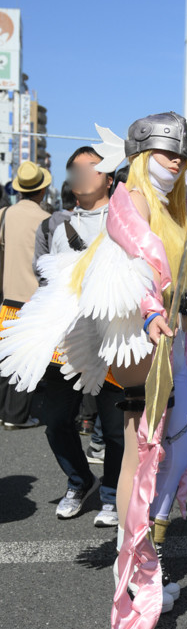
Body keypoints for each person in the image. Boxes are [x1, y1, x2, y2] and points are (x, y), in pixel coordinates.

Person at [0, 111, 187, 629]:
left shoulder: (171, 204)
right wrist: (150, 312)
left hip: (169, 334)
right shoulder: (130, 200)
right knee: (144, 455)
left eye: (181, 156)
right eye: (166, 154)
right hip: (136, 331)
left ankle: (147, 561)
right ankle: (139, 574)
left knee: (175, 454)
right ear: (141, 157)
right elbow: (129, 258)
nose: (175, 164)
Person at [31, 145, 125, 527]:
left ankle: (112, 495)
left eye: (90, 169)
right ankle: (80, 480)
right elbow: (44, 278)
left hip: (114, 339)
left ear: (108, 178)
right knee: (55, 420)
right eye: (75, 171)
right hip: (66, 339)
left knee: (116, 429)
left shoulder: (126, 220)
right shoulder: (55, 227)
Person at [0, 160, 50, 428]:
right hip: (35, 300)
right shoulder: (46, 220)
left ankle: (2, 411)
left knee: (4, 356)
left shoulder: (4, 215)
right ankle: (16, 416)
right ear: (42, 190)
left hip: (7, 297)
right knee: (27, 359)